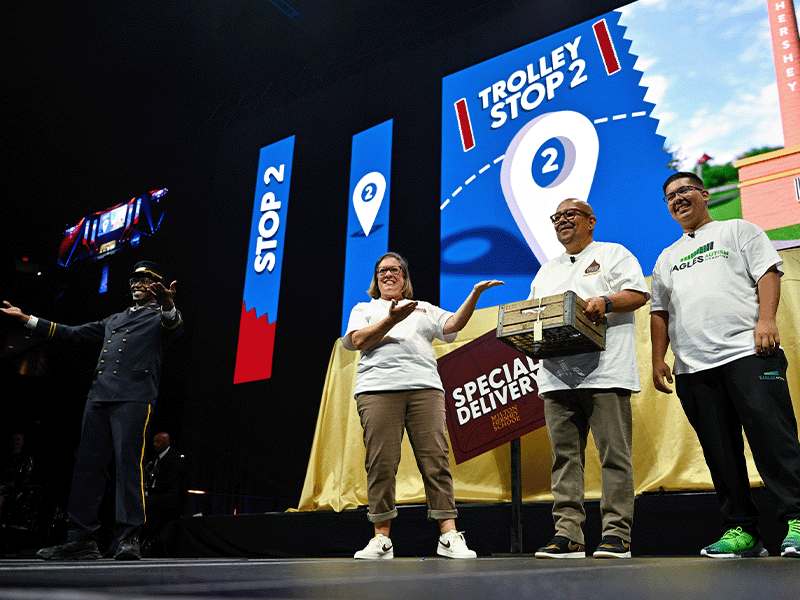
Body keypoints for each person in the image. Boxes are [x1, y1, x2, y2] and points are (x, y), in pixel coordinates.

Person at [651, 171, 800, 559]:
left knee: (775, 442)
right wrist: (657, 358)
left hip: (749, 354)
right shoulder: (667, 257)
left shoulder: (739, 229)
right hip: (693, 369)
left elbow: (768, 272)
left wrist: (766, 320)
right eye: (669, 196)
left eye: (684, 190)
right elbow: (659, 311)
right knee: (720, 453)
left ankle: (798, 520)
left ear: (704, 194)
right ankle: (742, 531)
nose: (677, 199)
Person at [0, 261, 184, 561]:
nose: (137, 285)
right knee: (87, 468)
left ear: (156, 287)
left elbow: (174, 325)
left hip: (133, 398)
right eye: (134, 280)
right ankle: (82, 539)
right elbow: (71, 332)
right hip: (99, 397)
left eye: (145, 281)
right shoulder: (115, 318)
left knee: (128, 467)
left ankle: (128, 538)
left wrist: (168, 304)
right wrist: (26, 318)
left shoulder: (160, 317)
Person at [343, 251, 502, 559]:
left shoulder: (423, 308)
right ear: (376, 279)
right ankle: (381, 539)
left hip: (424, 389)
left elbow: (454, 324)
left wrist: (474, 294)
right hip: (377, 390)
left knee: (436, 460)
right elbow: (358, 340)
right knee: (381, 464)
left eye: (395, 270)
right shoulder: (365, 308)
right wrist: (391, 320)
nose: (388, 274)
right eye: (382, 271)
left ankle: (449, 536)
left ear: (405, 277)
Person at [528, 199, 649, 559]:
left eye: (571, 214)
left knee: (614, 455)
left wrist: (607, 302)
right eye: (557, 217)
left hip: (605, 372)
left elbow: (639, 293)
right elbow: (534, 317)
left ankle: (617, 535)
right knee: (564, 459)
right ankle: (569, 535)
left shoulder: (613, 253)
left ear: (591, 220)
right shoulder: (545, 271)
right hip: (556, 377)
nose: (562, 221)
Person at [142, 432, 182, 556]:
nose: (155, 444)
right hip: (155, 494)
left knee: (142, 504)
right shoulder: (156, 458)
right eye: (154, 442)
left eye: (158, 441)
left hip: (166, 497)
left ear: (167, 442)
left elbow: (170, 483)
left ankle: (139, 539)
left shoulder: (174, 457)